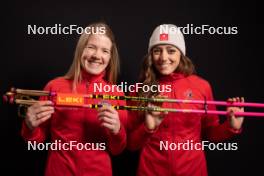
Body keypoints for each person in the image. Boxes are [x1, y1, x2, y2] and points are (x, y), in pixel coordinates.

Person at [127, 24, 244, 176]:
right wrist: (148, 128)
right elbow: (131, 144)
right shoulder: (139, 89)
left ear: (181, 54)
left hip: (194, 170)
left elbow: (210, 132)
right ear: (151, 55)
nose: (163, 58)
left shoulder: (201, 86)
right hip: (151, 171)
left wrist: (230, 126)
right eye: (157, 51)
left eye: (171, 51)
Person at [21, 22, 127, 176]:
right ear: (80, 49)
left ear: (110, 57)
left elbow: (117, 150)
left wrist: (117, 131)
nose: (97, 56)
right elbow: (36, 141)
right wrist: (29, 126)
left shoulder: (117, 94)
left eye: (105, 51)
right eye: (91, 47)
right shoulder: (54, 87)